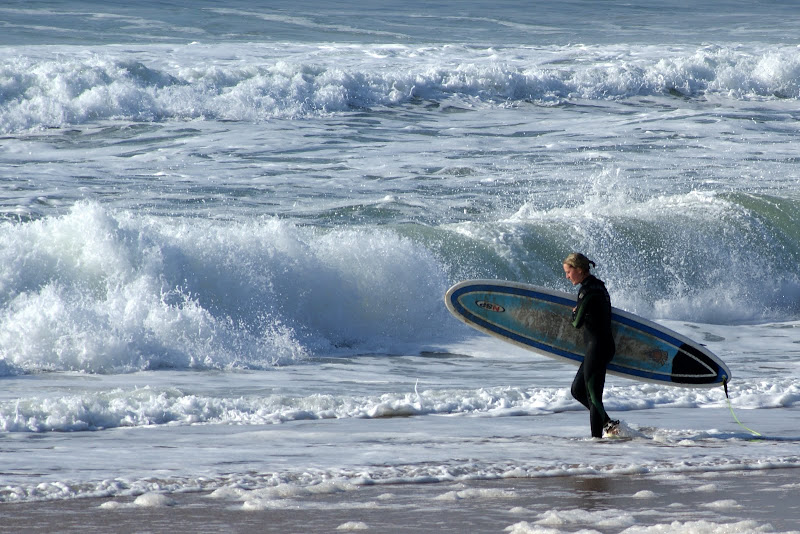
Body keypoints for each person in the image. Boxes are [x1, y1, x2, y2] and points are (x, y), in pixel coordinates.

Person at [562, 253, 619, 438]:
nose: (567, 276)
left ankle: (596, 442)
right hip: (600, 346)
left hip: (598, 348)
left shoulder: (586, 291)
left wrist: (573, 313)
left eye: (569, 272)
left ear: (579, 270)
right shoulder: (600, 287)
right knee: (577, 390)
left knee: (594, 397)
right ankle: (609, 425)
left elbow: (576, 323)